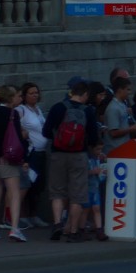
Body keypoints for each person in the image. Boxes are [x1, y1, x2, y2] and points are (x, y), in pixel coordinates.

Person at [42, 79, 100, 242]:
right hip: (79, 156)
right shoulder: (88, 111)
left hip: (58, 155)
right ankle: (74, 231)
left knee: (57, 192)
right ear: (85, 94)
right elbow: (94, 137)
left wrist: (58, 139)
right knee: (77, 195)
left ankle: (58, 224)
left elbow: (46, 132)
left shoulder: (57, 108)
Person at [0, 85, 28, 242]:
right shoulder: (12, 114)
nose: (18, 98)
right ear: (9, 98)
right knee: (14, 193)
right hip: (7, 158)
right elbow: (17, 139)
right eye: (16, 95)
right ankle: (15, 229)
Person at [15, 82, 50, 228]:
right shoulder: (20, 110)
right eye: (31, 93)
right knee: (26, 185)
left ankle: (33, 215)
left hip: (41, 153)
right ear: (24, 96)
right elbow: (14, 128)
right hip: (31, 153)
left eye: (36, 92)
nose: (35, 95)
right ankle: (21, 216)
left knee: (38, 186)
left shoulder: (37, 109)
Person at [103, 75, 136, 154]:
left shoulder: (123, 105)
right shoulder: (113, 108)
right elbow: (113, 132)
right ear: (120, 90)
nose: (129, 92)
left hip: (122, 149)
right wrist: (132, 129)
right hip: (115, 151)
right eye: (128, 90)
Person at [85, 141, 109, 241]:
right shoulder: (86, 159)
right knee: (85, 210)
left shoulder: (100, 158)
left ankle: (99, 230)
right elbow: (81, 173)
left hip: (95, 187)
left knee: (96, 208)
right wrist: (92, 172)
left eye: (101, 149)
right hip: (86, 188)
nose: (100, 151)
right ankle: (82, 229)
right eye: (97, 149)